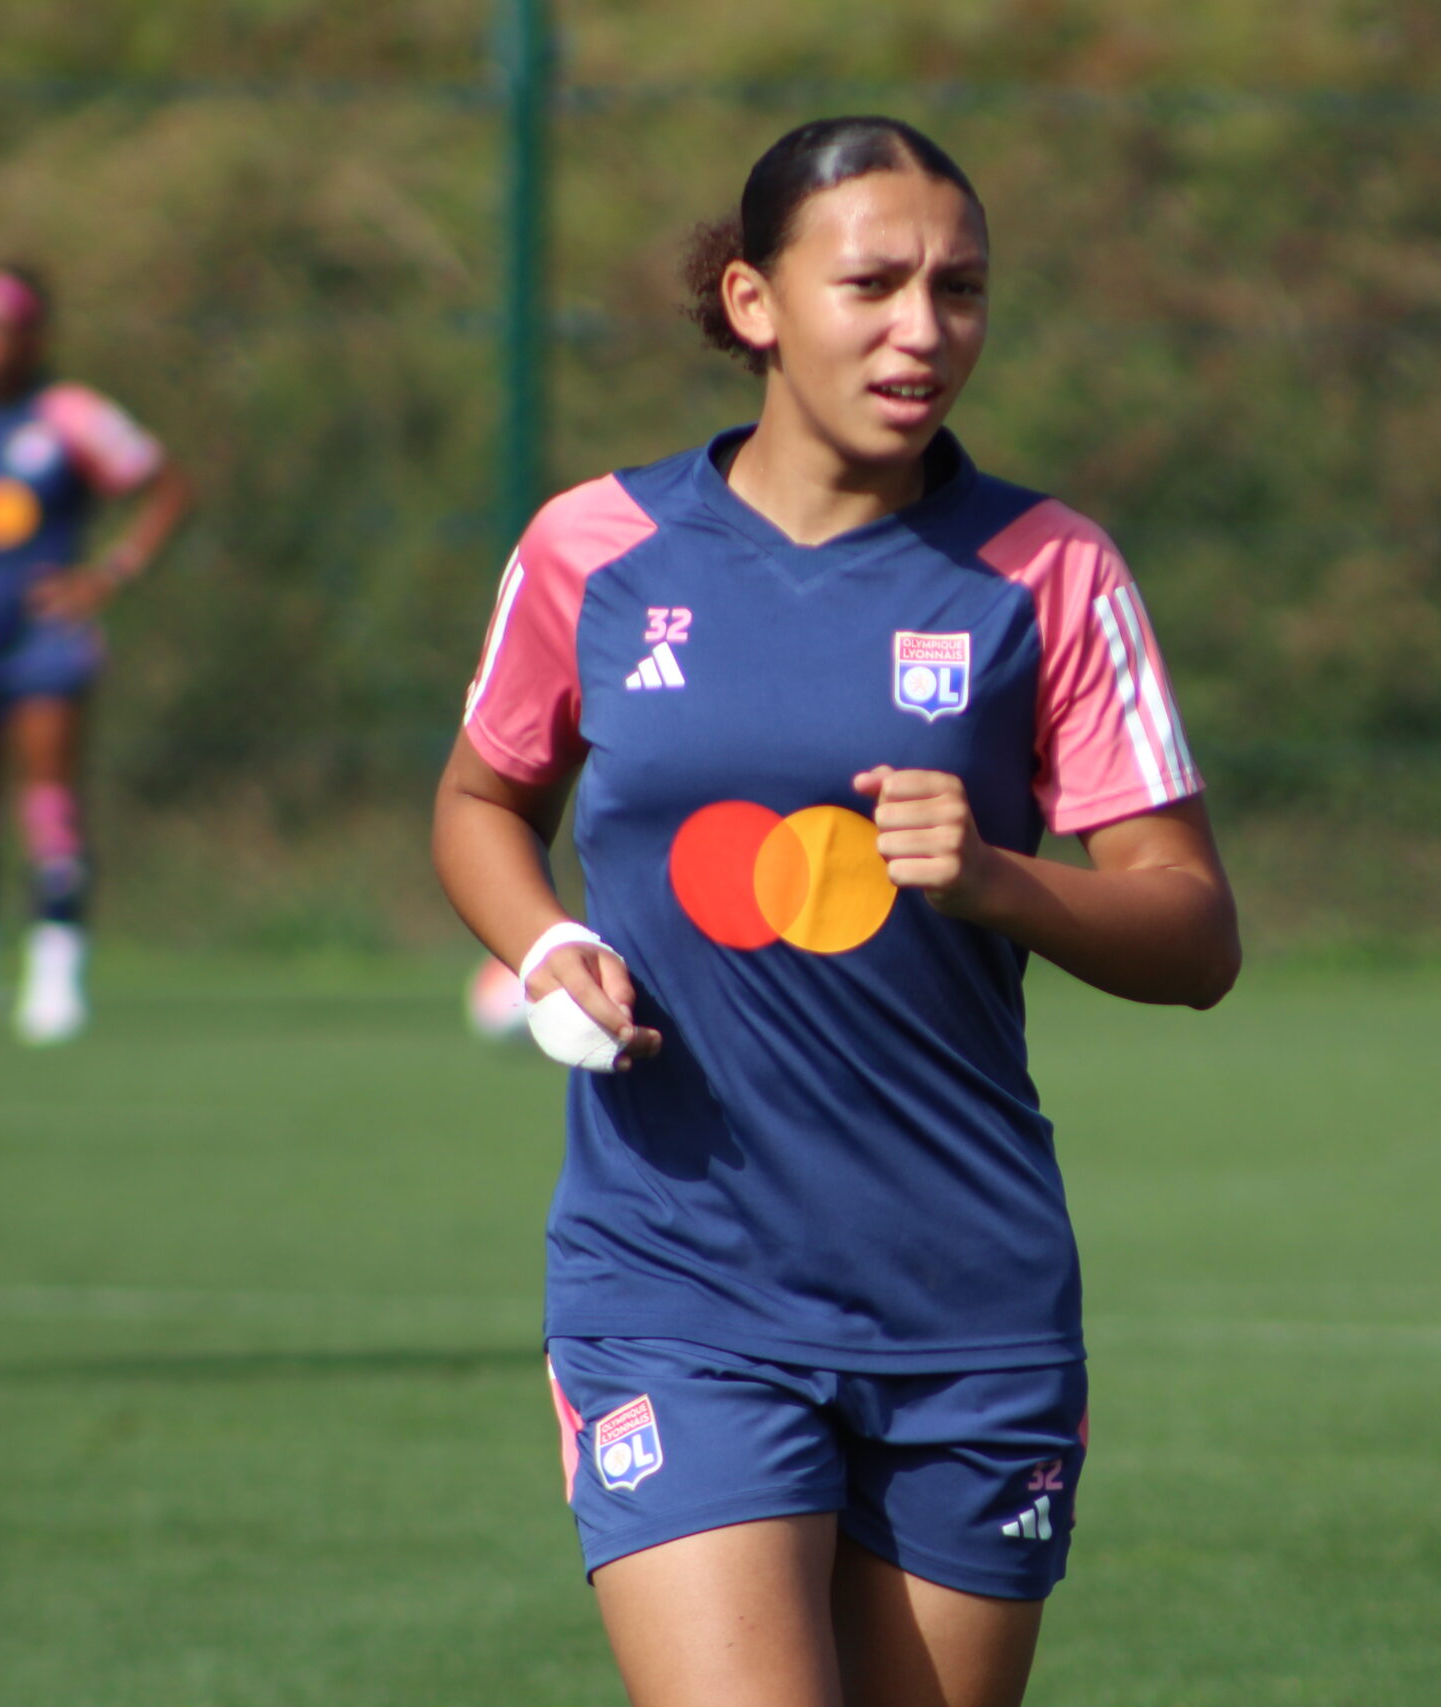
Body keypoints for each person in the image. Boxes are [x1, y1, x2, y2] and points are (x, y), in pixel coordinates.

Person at [432, 117, 1239, 1707]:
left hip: (970, 1301)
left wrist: (1005, 880)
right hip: (676, 1278)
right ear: (751, 301)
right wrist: (543, 943)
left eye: (962, 290)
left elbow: (1196, 932)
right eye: (873, 284)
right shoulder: (593, 545)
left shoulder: (1049, 570)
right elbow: (479, 803)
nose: (924, 329)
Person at [0, 265, 193, 1045]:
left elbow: (165, 485)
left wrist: (108, 574)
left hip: (43, 636)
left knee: (49, 802)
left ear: (32, 338)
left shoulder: (70, 415)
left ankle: (54, 976)